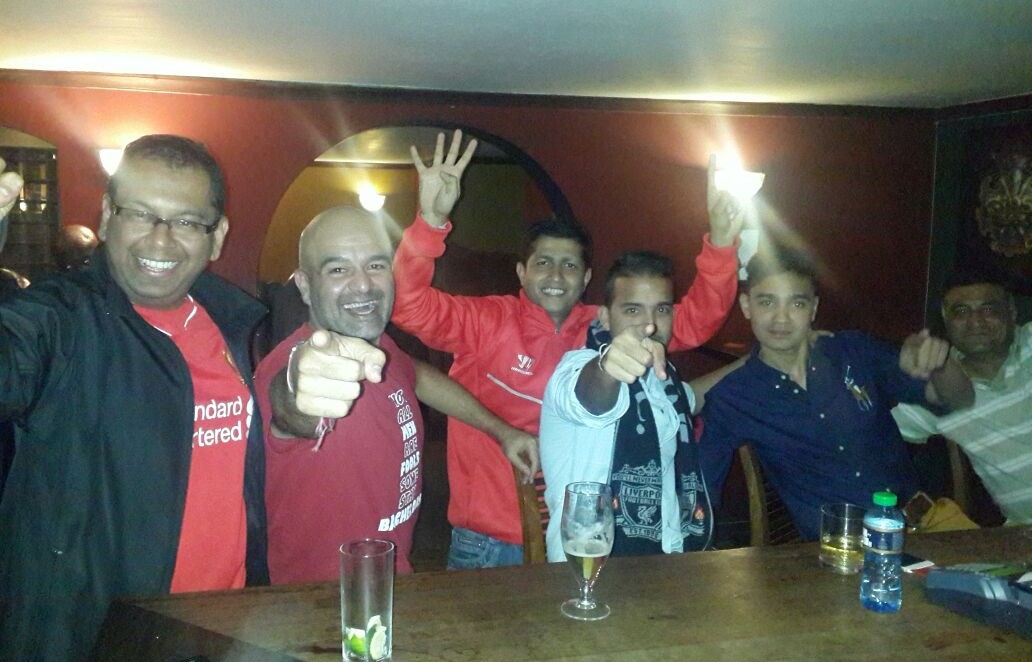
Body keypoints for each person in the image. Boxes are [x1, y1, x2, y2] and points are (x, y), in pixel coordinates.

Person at [391, 130, 744, 568]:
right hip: (492, 539)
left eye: (570, 265)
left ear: (586, 277)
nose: (556, 275)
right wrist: (429, 222)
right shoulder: (486, 320)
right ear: (521, 272)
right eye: (543, 262)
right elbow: (407, 306)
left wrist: (722, 245)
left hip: (581, 534)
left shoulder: (604, 328)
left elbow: (692, 321)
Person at [0, 136, 270, 661]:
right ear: (106, 217)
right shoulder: (62, 319)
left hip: (224, 629)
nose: (161, 240)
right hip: (98, 639)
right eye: (140, 214)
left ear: (217, 237)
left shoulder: (237, 325)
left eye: (187, 221)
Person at [257, 206, 538, 584]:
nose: (363, 285)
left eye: (375, 265)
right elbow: (290, 408)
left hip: (393, 582)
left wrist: (501, 430)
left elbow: (417, 375)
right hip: (322, 602)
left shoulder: (382, 349)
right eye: (338, 269)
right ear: (305, 286)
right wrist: (297, 386)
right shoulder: (288, 368)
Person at [697, 245, 974, 540]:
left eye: (797, 303)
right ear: (746, 305)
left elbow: (958, 399)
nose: (781, 318)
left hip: (927, 525)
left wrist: (939, 363)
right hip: (843, 549)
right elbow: (701, 495)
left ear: (813, 309)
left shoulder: (854, 351)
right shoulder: (734, 397)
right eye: (767, 302)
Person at [540, 251, 714, 561]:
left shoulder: (666, 381)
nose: (650, 325)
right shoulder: (575, 368)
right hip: (589, 563)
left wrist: (754, 363)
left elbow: (693, 397)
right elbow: (591, 399)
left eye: (662, 309)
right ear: (605, 317)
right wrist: (608, 367)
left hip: (671, 555)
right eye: (632, 310)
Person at [892, 270, 1031, 524]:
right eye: (961, 311)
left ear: (1011, 311)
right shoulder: (939, 388)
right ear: (946, 319)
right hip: (1022, 536)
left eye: (988, 309)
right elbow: (865, 430)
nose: (975, 322)